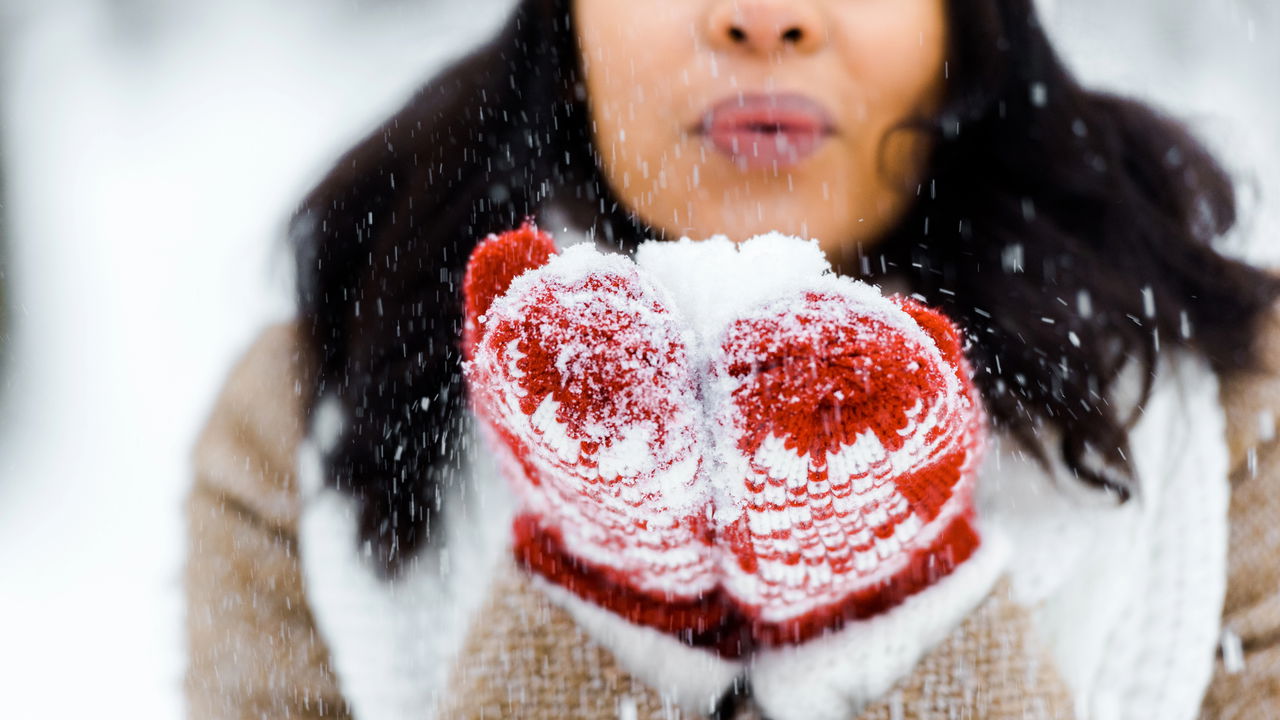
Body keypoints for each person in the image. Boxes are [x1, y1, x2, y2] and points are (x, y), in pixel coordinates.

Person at [184, 0, 1280, 718]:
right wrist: (609, 595)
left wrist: (897, 608)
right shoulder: (315, 418)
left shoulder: (1226, 423)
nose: (765, 18)